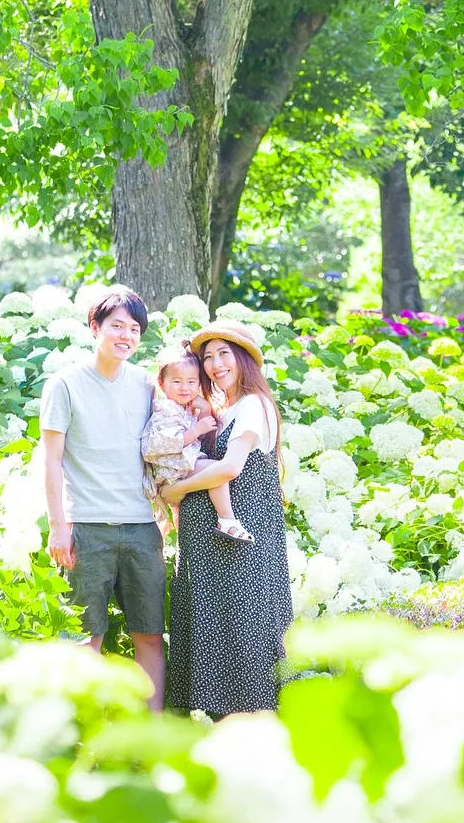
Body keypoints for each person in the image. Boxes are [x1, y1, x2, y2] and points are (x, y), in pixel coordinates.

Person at [39, 286, 167, 708]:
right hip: (87, 528)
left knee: (150, 635)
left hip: (142, 528)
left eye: (134, 329)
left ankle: (151, 732)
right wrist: (58, 526)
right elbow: (51, 460)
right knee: (83, 639)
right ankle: (85, 730)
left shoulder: (148, 385)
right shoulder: (64, 385)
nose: (126, 336)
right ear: (95, 328)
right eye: (117, 326)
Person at [161, 320, 293, 717]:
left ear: (244, 359)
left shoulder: (253, 404)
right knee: (219, 627)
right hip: (210, 544)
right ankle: (218, 727)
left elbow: (231, 467)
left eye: (224, 354)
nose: (216, 365)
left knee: (244, 628)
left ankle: (252, 727)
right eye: (208, 357)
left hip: (239, 540)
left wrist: (177, 490)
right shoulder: (223, 409)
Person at [140, 347, 252, 543]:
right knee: (216, 472)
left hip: (181, 464)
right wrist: (196, 430)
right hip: (172, 466)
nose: (185, 388)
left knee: (182, 512)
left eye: (191, 382)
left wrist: (205, 409)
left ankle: (185, 538)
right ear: (162, 383)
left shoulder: (184, 407)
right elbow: (164, 443)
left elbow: (204, 435)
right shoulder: (165, 408)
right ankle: (227, 520)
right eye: (177, 382)